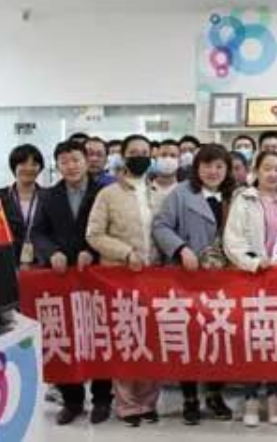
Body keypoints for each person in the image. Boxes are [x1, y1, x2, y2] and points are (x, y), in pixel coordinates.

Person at [152, 143, 235, 425]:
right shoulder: (181, 193)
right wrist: (180, 248)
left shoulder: (236, 196)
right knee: (188, 338)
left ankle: (215, 393)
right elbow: (161, 226)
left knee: (221, 336)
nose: (213, 171)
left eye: (219, 166)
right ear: (197, 168)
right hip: (186, 276)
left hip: (226, 279)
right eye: (207, 165)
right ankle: (189, 397)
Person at [31, 140, 112, 425]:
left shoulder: (103, 191)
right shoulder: (48, 196)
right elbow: (38, 233)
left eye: (76, 159)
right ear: (57, 165)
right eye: (64, 161)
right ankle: (72, 400)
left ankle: (102, 399)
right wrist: (51, 252)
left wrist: (92, 251)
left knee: (98, 337)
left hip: (96, 275)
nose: (71, 166)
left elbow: (112, 229)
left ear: (86, 161)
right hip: (61, 276)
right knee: (66, 336)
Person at [86, 134, 164, 428]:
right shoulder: (108, 194)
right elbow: (94, 234)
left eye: (145, 152)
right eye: (134, 152)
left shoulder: (158, 193)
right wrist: (126, 252)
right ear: (123, 157)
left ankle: (148, 402)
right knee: (127, 339)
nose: (139, 156)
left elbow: (165, 231)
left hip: (155, 277)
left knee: (153, 341)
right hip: (120, 277)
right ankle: (127, 404)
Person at [224, 152, 277, 427]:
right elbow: (232, 241)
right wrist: (254, 263)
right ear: (256, 171)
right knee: (252, 339)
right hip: (252, 278)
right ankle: (251, 398)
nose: (273, 174)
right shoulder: (244, 199)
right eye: (267, 168)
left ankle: (275, 397)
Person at [0, 144, 45, 268]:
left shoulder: (48, 197)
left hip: (41, 264)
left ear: (40, 168)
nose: (29, 168)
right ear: (14, 167)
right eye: (23, 164)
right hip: (6, 263)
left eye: (34, 164)